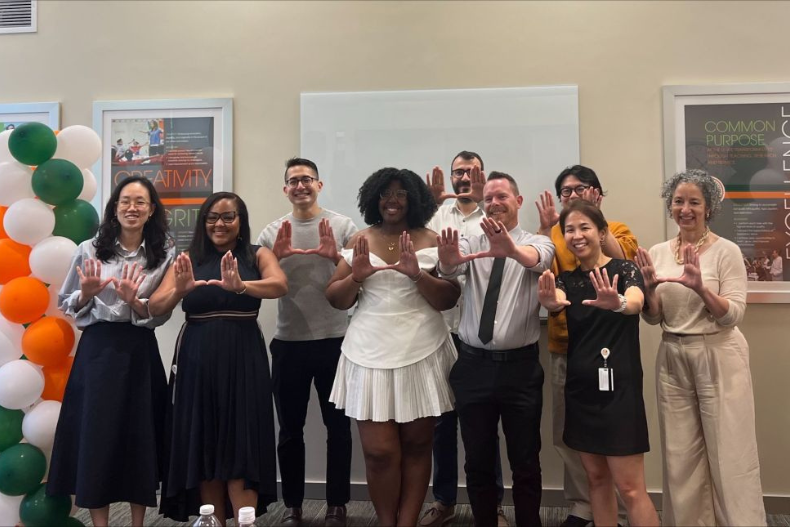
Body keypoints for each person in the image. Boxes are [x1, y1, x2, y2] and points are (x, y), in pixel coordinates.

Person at [326, 168, 461, 527]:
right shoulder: (360, 239)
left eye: (401, 193)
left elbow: (449, 299)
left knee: (418, 447)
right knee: (380, 452)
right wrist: (355, 276)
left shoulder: (432, 239)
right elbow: (336, 300)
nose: (392, 200)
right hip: (368, 354)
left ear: (414, 199)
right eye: (385, 193)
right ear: (373, 198)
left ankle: (407, 523)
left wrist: (417, 274)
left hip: (423, 349)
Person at [635, 169, 766, 526]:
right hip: (673, 355)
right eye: (678, 201)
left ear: (709, 207)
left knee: (730, 454)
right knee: (680, 457)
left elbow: (733, 315)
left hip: (719, 354)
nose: (685, 208)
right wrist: (648, 290)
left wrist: (701, 288)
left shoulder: (727, 251)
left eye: (694, 201)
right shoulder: (661, 252)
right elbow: (654, 317)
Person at [150, 192, 288, 526]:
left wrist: (241, 286)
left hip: (244, 357)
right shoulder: (187, 258)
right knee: (204, 440)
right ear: (203, 222)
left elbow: (279, 285)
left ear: (241, 222)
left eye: (228, 217)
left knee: (243, 440)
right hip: (197, 357)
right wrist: (180, 291)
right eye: (212, 217)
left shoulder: (258, 253)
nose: (219, 224)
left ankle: (244, 521)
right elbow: (154, 307)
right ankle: (214, 521)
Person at [47, 176, 175, 527]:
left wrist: (136, 301)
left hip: (139, 351)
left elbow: (162, 311)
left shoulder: (164, 252)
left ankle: (137, 523)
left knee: (140, 434)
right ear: (114, 208)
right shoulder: (89, 248)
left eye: (140, 202)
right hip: (98, 350)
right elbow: (67, 305)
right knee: (96, 435)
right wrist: (87, 292)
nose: (132, 208)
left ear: (151, 210)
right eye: (125, 201)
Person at [438, 171, 554, 527]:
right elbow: (449, 272)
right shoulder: (472, 240)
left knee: (525, 460)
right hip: (473, 365)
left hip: (520, 369)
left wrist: (512, 250)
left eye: (501, 196)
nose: (493, 203)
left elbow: (539, 260)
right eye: (487, 198)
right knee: (477, 461)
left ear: (518, 201)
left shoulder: (539, 240)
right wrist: (446, 260)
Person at [537, 200, 658, 527]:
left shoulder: (624, 270)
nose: (577, 235)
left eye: (584, 227)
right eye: (569, 230)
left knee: (631, 489)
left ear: (602, 232)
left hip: (620, 395)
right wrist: (550, 304)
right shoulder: (567, 281)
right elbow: (558, 301)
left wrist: (616, 302)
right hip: (581, 393)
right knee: (596, 481)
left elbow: (636, 303)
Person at [256, 158, 356, 527]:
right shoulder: (271, 233)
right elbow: (263, 286)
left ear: (320, 184)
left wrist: (337, 259)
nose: (300, 186)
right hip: (289, 342)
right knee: (290, 431)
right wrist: (277, 259)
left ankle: (337, 506)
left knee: (339, 429)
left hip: (335, 341)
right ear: (285, 189)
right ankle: (294, 506)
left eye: (307, 179)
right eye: (293, 181)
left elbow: (360, 280)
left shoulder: (343, 227)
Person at [421, 151, 509, 527]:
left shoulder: (495, 214)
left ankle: (495, 505)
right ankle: (444, 500)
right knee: (442, 423)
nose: (464, 178)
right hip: (441, 332)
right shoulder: (437, 216)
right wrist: (431, 203)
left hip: (479, 336)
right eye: (459, 172)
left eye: (472, 171)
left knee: (487, 424)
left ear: (483, 175)